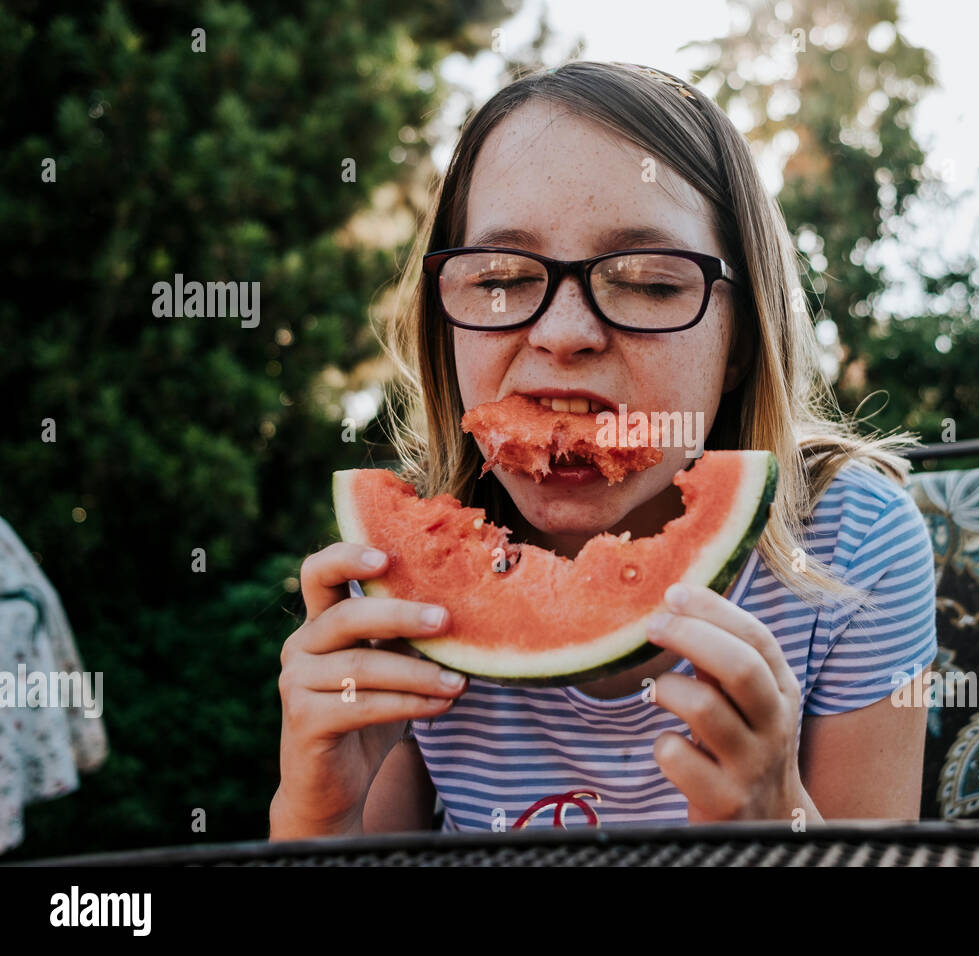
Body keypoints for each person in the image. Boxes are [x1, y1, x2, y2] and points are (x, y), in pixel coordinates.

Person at [270, 61, 937, 838]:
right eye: (500, 279)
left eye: (650, 283)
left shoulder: (853, 546)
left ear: (742, 343)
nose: (563, 333)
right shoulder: (398, 589)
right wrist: (319, 813)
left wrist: (776, 825)